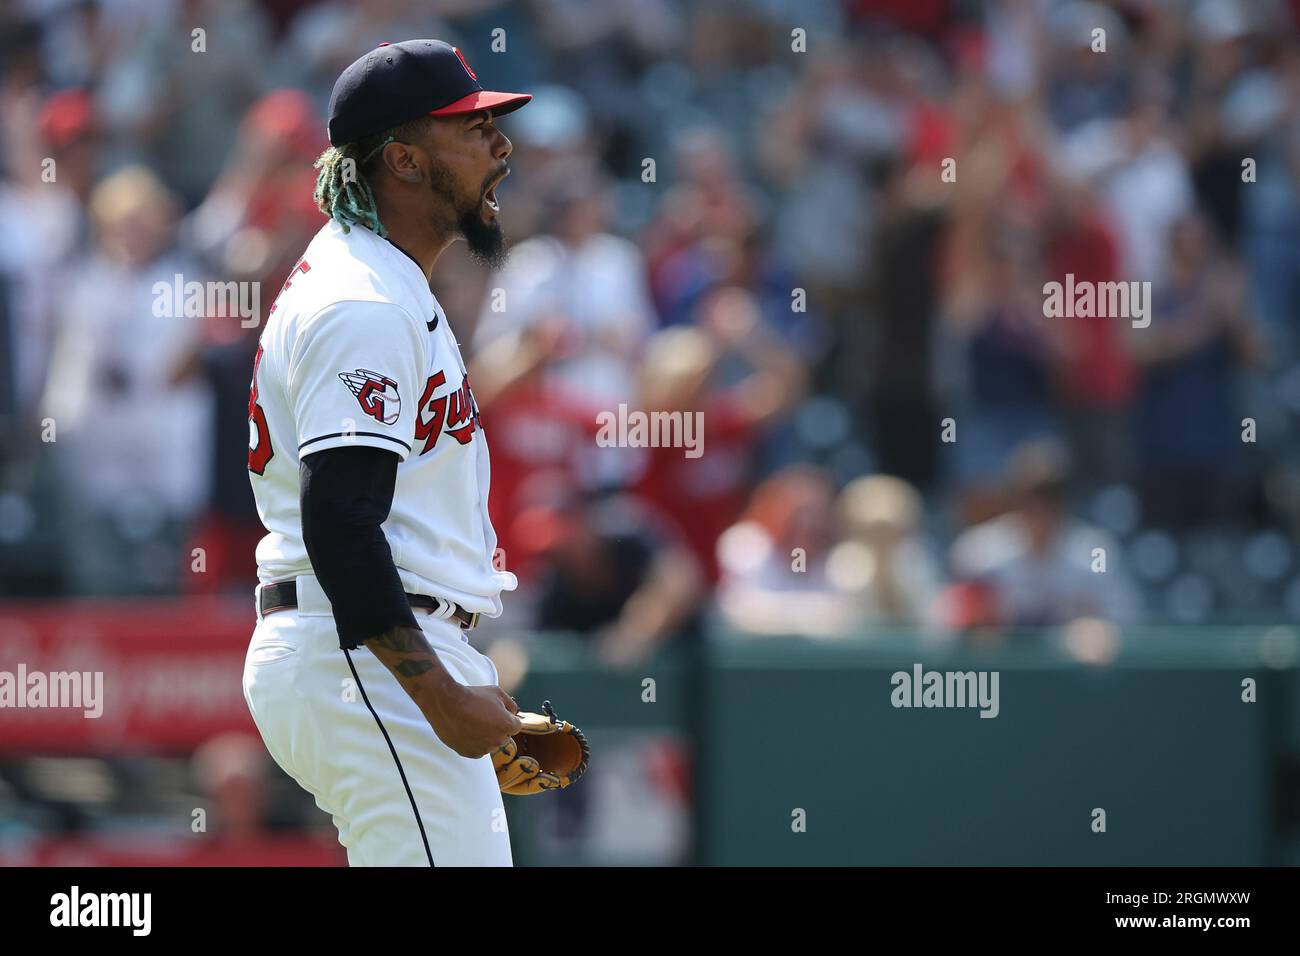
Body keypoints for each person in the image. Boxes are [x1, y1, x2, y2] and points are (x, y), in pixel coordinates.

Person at [241, 40, 534, 867]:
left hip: (360, 649)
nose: (500, 146)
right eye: (472, 129)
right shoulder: (361, 300)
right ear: (403, 159)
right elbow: (339, 520)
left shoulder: (382, 281)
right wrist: (438, 696)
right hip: (365, 652)